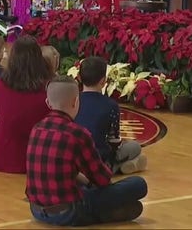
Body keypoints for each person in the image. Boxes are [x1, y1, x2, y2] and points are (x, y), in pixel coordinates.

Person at [26, 76, 148, 226]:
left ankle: (104, 212)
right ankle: (103, 212)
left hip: (36, 209)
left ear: (48, 103)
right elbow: (102, 179)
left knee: (94, 191)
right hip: (68, 211)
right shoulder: (77, 133)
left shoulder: (36, 128)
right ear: (76, 101)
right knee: (138, 184)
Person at [0, 36, 53, 174]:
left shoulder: (1, 84)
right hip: (38, 159)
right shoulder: (48, 87)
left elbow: (0, 120)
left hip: (3, 156)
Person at [75, 56, 147, 174]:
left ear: (79, 77)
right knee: (134, 147)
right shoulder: (111, 105)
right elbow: (114, 141)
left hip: (75, 158)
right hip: (99, 159)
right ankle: (119, 166)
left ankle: (122, 165)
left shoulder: (73, 100)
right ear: (103, 81)